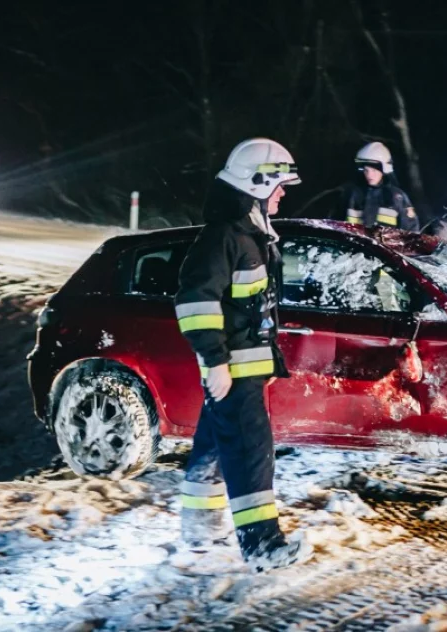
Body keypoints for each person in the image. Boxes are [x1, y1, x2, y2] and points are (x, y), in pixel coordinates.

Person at [174, 138, 310, 570]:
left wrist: (268, 361)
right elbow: (195, 301)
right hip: (229, 370)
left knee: (214, 444)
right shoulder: (225, 237)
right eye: (280, 185)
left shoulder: (251, 236)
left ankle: (199, 524)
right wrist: (214, 361)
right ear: (257, 184)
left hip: (240, 367)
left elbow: (254, 310)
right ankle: (262, 546)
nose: (284, 193)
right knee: (250, 450)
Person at [337, 141, 420, 230]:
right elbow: (335, 226)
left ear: (384, 170)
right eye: (366, 170)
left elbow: (411, 232)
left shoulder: (397, 197)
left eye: (374, 170)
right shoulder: (351, 195)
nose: (369, 175)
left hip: (384, 244)